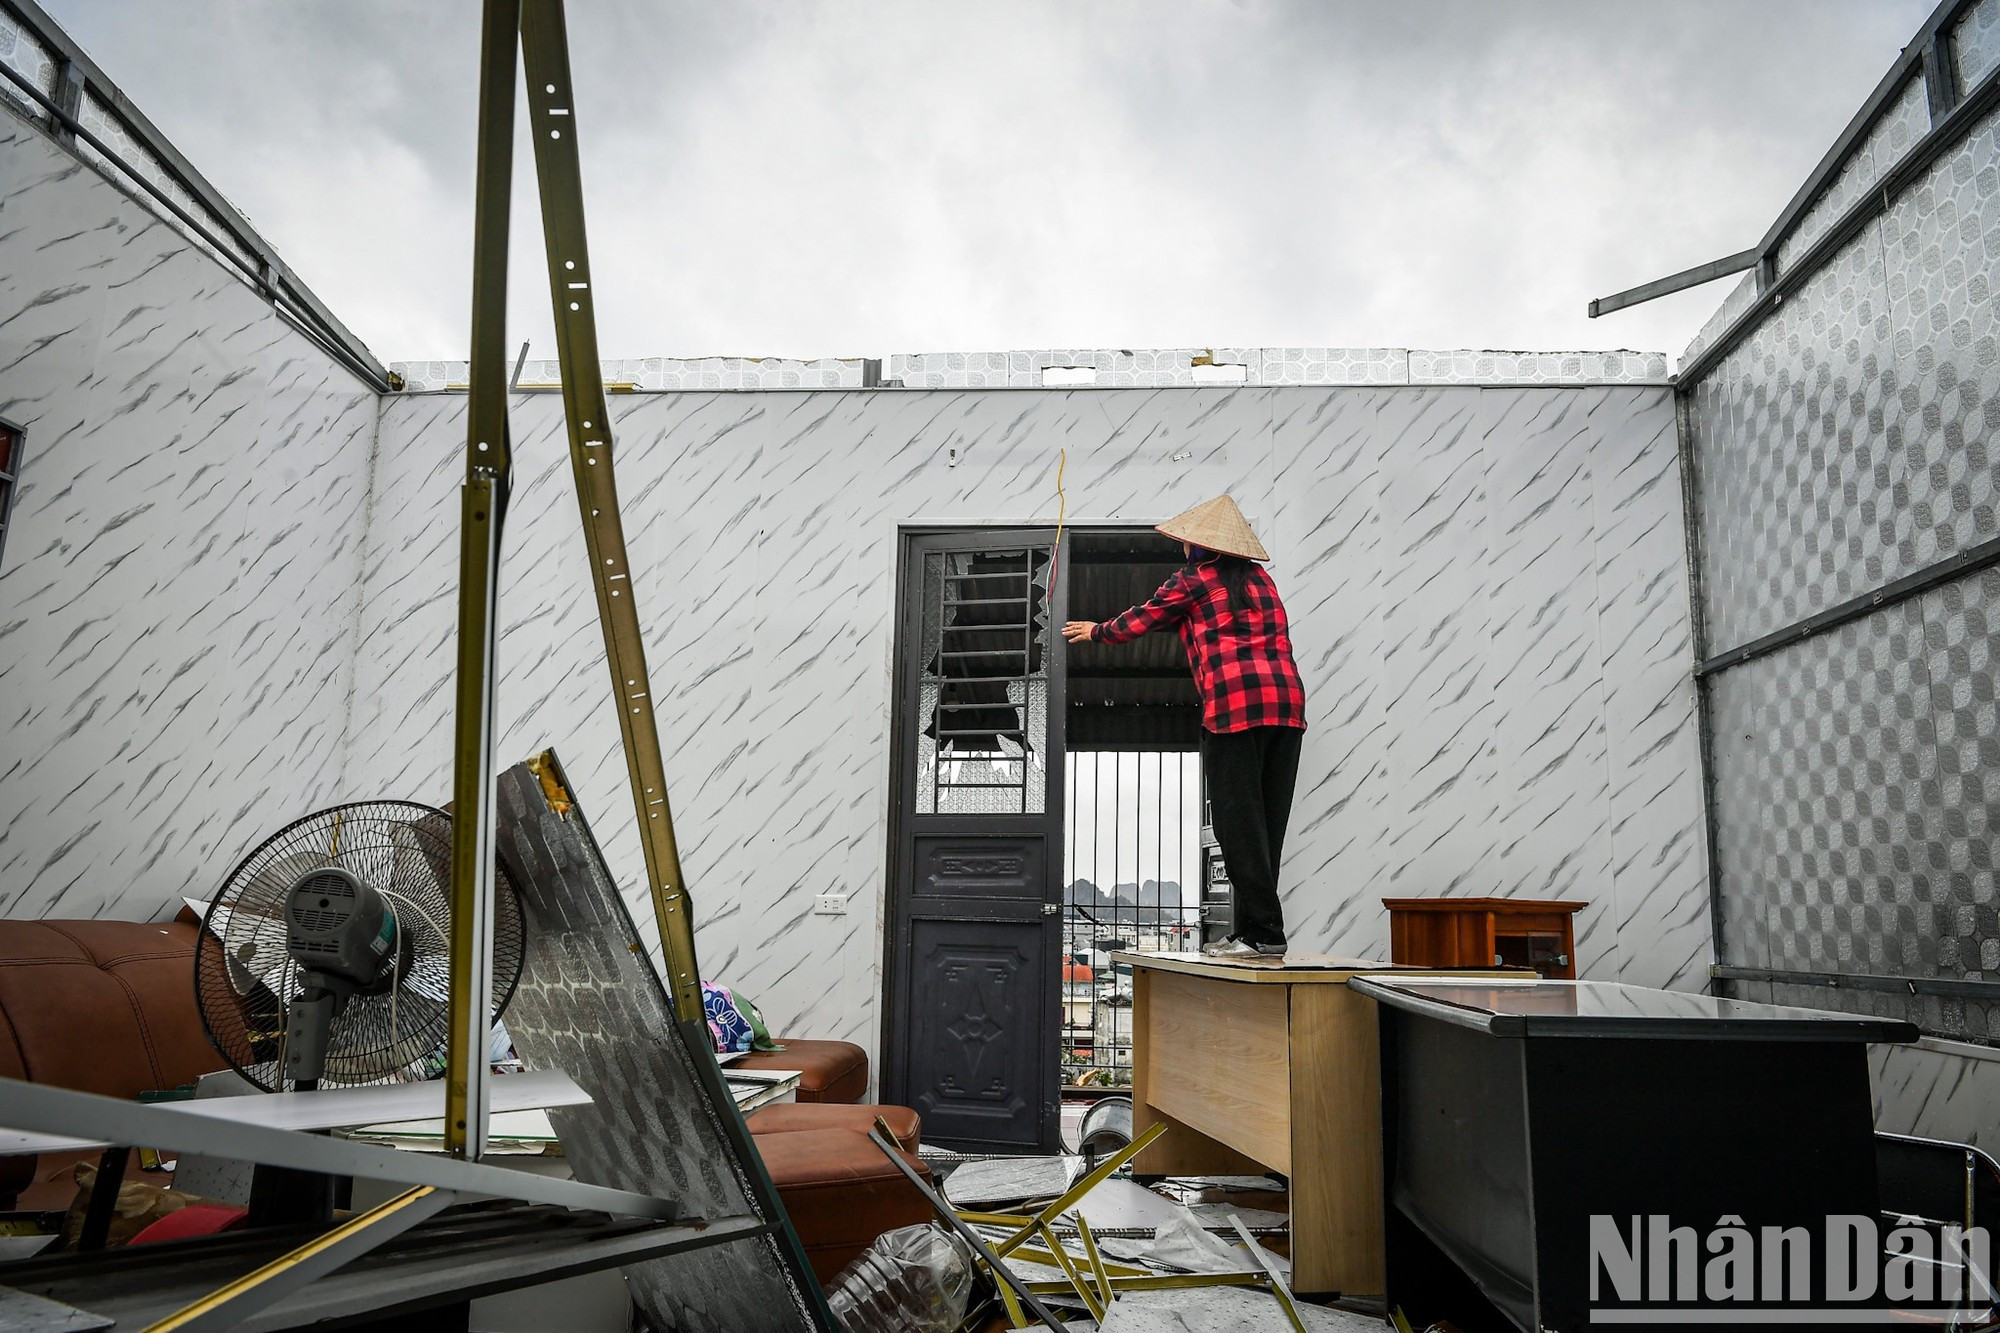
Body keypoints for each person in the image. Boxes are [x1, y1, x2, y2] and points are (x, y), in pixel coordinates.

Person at [1061, 495, 1307, 959]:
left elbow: (1146, 616)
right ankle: (1259, 931)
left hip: (1234, 708)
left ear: (1198, 547)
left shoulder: (1194, 580)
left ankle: (1263, 934)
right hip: (1288, 708)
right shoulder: (1263, 582)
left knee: (1237, 824)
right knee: (1268, 825)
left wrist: (1097, 631)